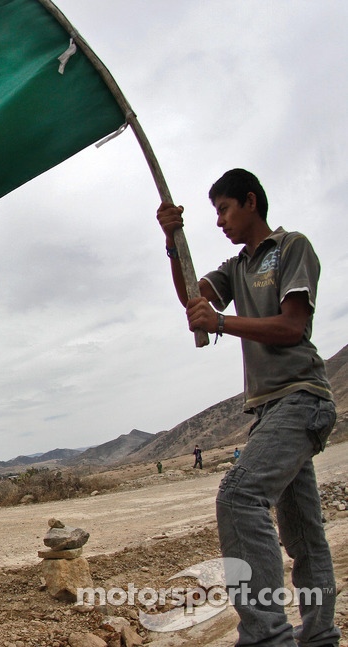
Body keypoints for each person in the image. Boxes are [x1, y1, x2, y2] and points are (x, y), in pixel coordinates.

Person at [157, 168, 339, 647]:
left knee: (238, 497)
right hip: (268, 410)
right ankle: (320, 637)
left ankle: (266, 637)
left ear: (251, 202)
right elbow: (192, 297)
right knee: (303, 537)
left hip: (302, 398)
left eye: (224, 209)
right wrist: (173, 242)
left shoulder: (290, 248)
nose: (219, 221)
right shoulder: (236, 267)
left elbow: (292, 327)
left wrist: (222, 322)